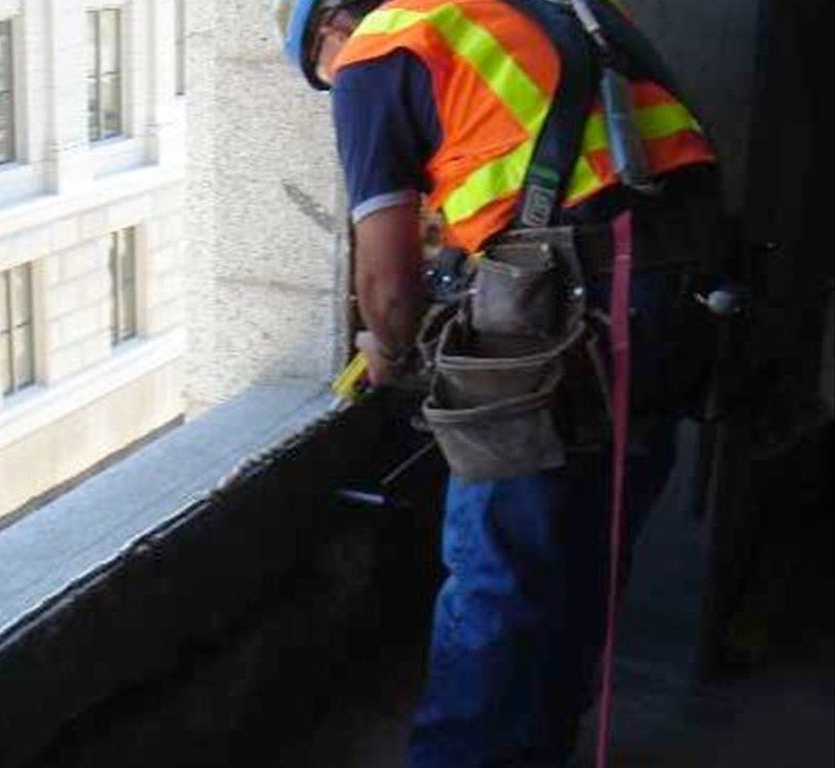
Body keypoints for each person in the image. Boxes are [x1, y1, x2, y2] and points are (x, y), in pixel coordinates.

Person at [275, 1, 721, 765]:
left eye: (320, 76)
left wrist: (388, 346)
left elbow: (387, 289)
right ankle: (541, 747)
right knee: (588, 556)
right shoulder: (529, 13)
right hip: (685, 297)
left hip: (574, 305)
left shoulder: (378, 51)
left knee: (496, 574)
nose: (334, 89)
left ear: (330, 32)